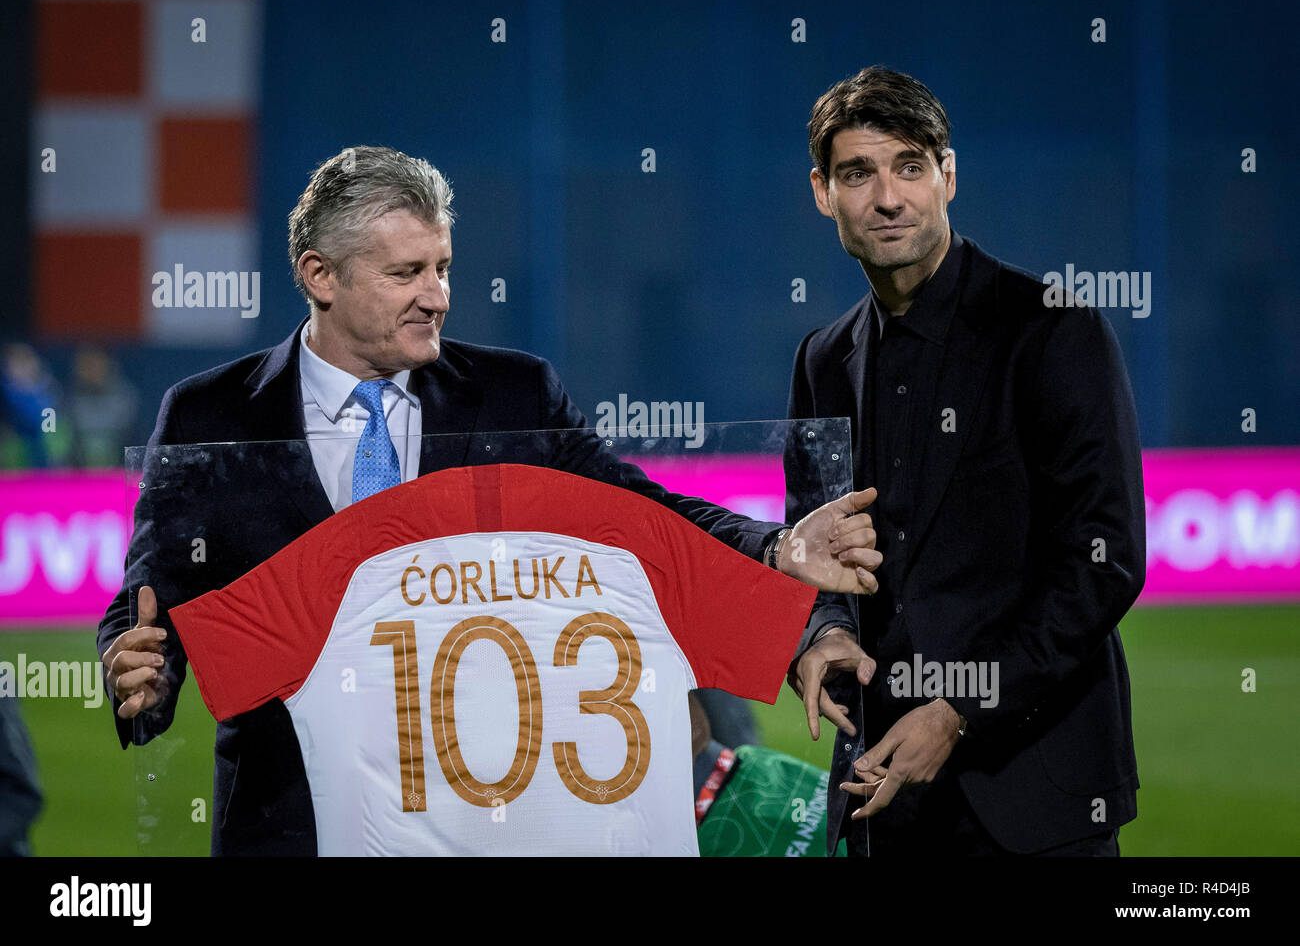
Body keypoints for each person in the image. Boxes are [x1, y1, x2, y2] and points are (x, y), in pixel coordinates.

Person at [97, 145, 883, 855]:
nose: (436, 296)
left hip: (491, 823)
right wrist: (138, 674)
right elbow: (150, 595)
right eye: (406, 273)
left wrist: (777, 550)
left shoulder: (514, 396)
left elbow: (642, 517)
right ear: (319, 276)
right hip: (292, 825)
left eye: (442, 268)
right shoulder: (211, 415)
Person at [785, 67, 1145, 856]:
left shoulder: (1052, 332)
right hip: (885, 798)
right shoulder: (822, 359)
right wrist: (824, 631)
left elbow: (1105, 563)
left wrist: (959, 709)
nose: (888, 197)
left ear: (949, 175)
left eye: (911, 166)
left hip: (1039, 799)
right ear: (823, 192)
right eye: (858, 173)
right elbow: (816, 548)